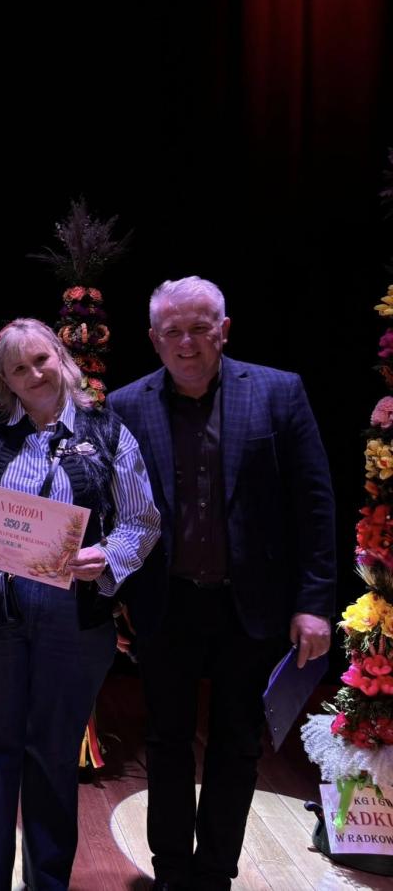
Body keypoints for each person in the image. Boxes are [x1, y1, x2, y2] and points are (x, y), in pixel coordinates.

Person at [107, 276, 335, 890]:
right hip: (166, 603)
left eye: (200, 328)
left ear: (224, 330)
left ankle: (214, 875)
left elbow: (314, 506)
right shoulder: (126, 406)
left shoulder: (278, 392)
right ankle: (171, 871)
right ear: (154, 338)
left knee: (238, 745)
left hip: (251, 605)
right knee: (166, 741)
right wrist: (114, 598)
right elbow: (113, 510)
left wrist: (314, 603)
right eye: (173, 331)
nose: (187, 342)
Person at [0, 317, 160, 890]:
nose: (34, 374)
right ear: (3, 379)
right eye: (18, 368)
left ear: (61, 357)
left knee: (53, 755)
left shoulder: (108, 432)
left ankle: (47, 884)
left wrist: (107, 556)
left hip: (72, 616)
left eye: (41, 360)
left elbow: (142, 521)